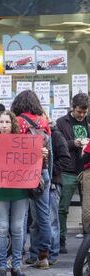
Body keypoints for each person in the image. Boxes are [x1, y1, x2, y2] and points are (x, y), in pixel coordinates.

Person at [11, 90, 51, 269]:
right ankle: (43, 256)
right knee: (43, 216)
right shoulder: (43, 121)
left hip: (22, 173)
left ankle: (19, 256)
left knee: (21, 216)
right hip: (42, 172)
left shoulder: (18, 121)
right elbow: (49, 148)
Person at [0, 111, 31, 276]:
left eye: (7, 122)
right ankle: (2, 266)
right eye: (1, 122)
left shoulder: (23, 142)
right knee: (2, 228)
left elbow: (32, 162)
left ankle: (17, 266)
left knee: (18, 228)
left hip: (20, 190)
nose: (4, 125)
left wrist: (43, 156)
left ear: (12, 124)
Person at [27, 117, 70, 266]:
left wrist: (50, 175)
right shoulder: (33, 135)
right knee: (36, 222)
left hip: (51, 184)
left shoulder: (56, 136)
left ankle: (52, 254)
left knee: (50, 221)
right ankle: (35, 253)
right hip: (36, 183)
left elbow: (65, 159)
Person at [56, 93, 90, 253]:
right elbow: (58, 144)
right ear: (72, 107)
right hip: (68, 170)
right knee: (63, 207)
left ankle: (87, 241)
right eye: (79, 112)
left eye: (85, 112)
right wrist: (73, 143)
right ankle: (61, 240)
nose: (82, 115)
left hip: (87, 169)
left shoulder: (88, 121)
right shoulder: (62, 122)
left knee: (87, 208)